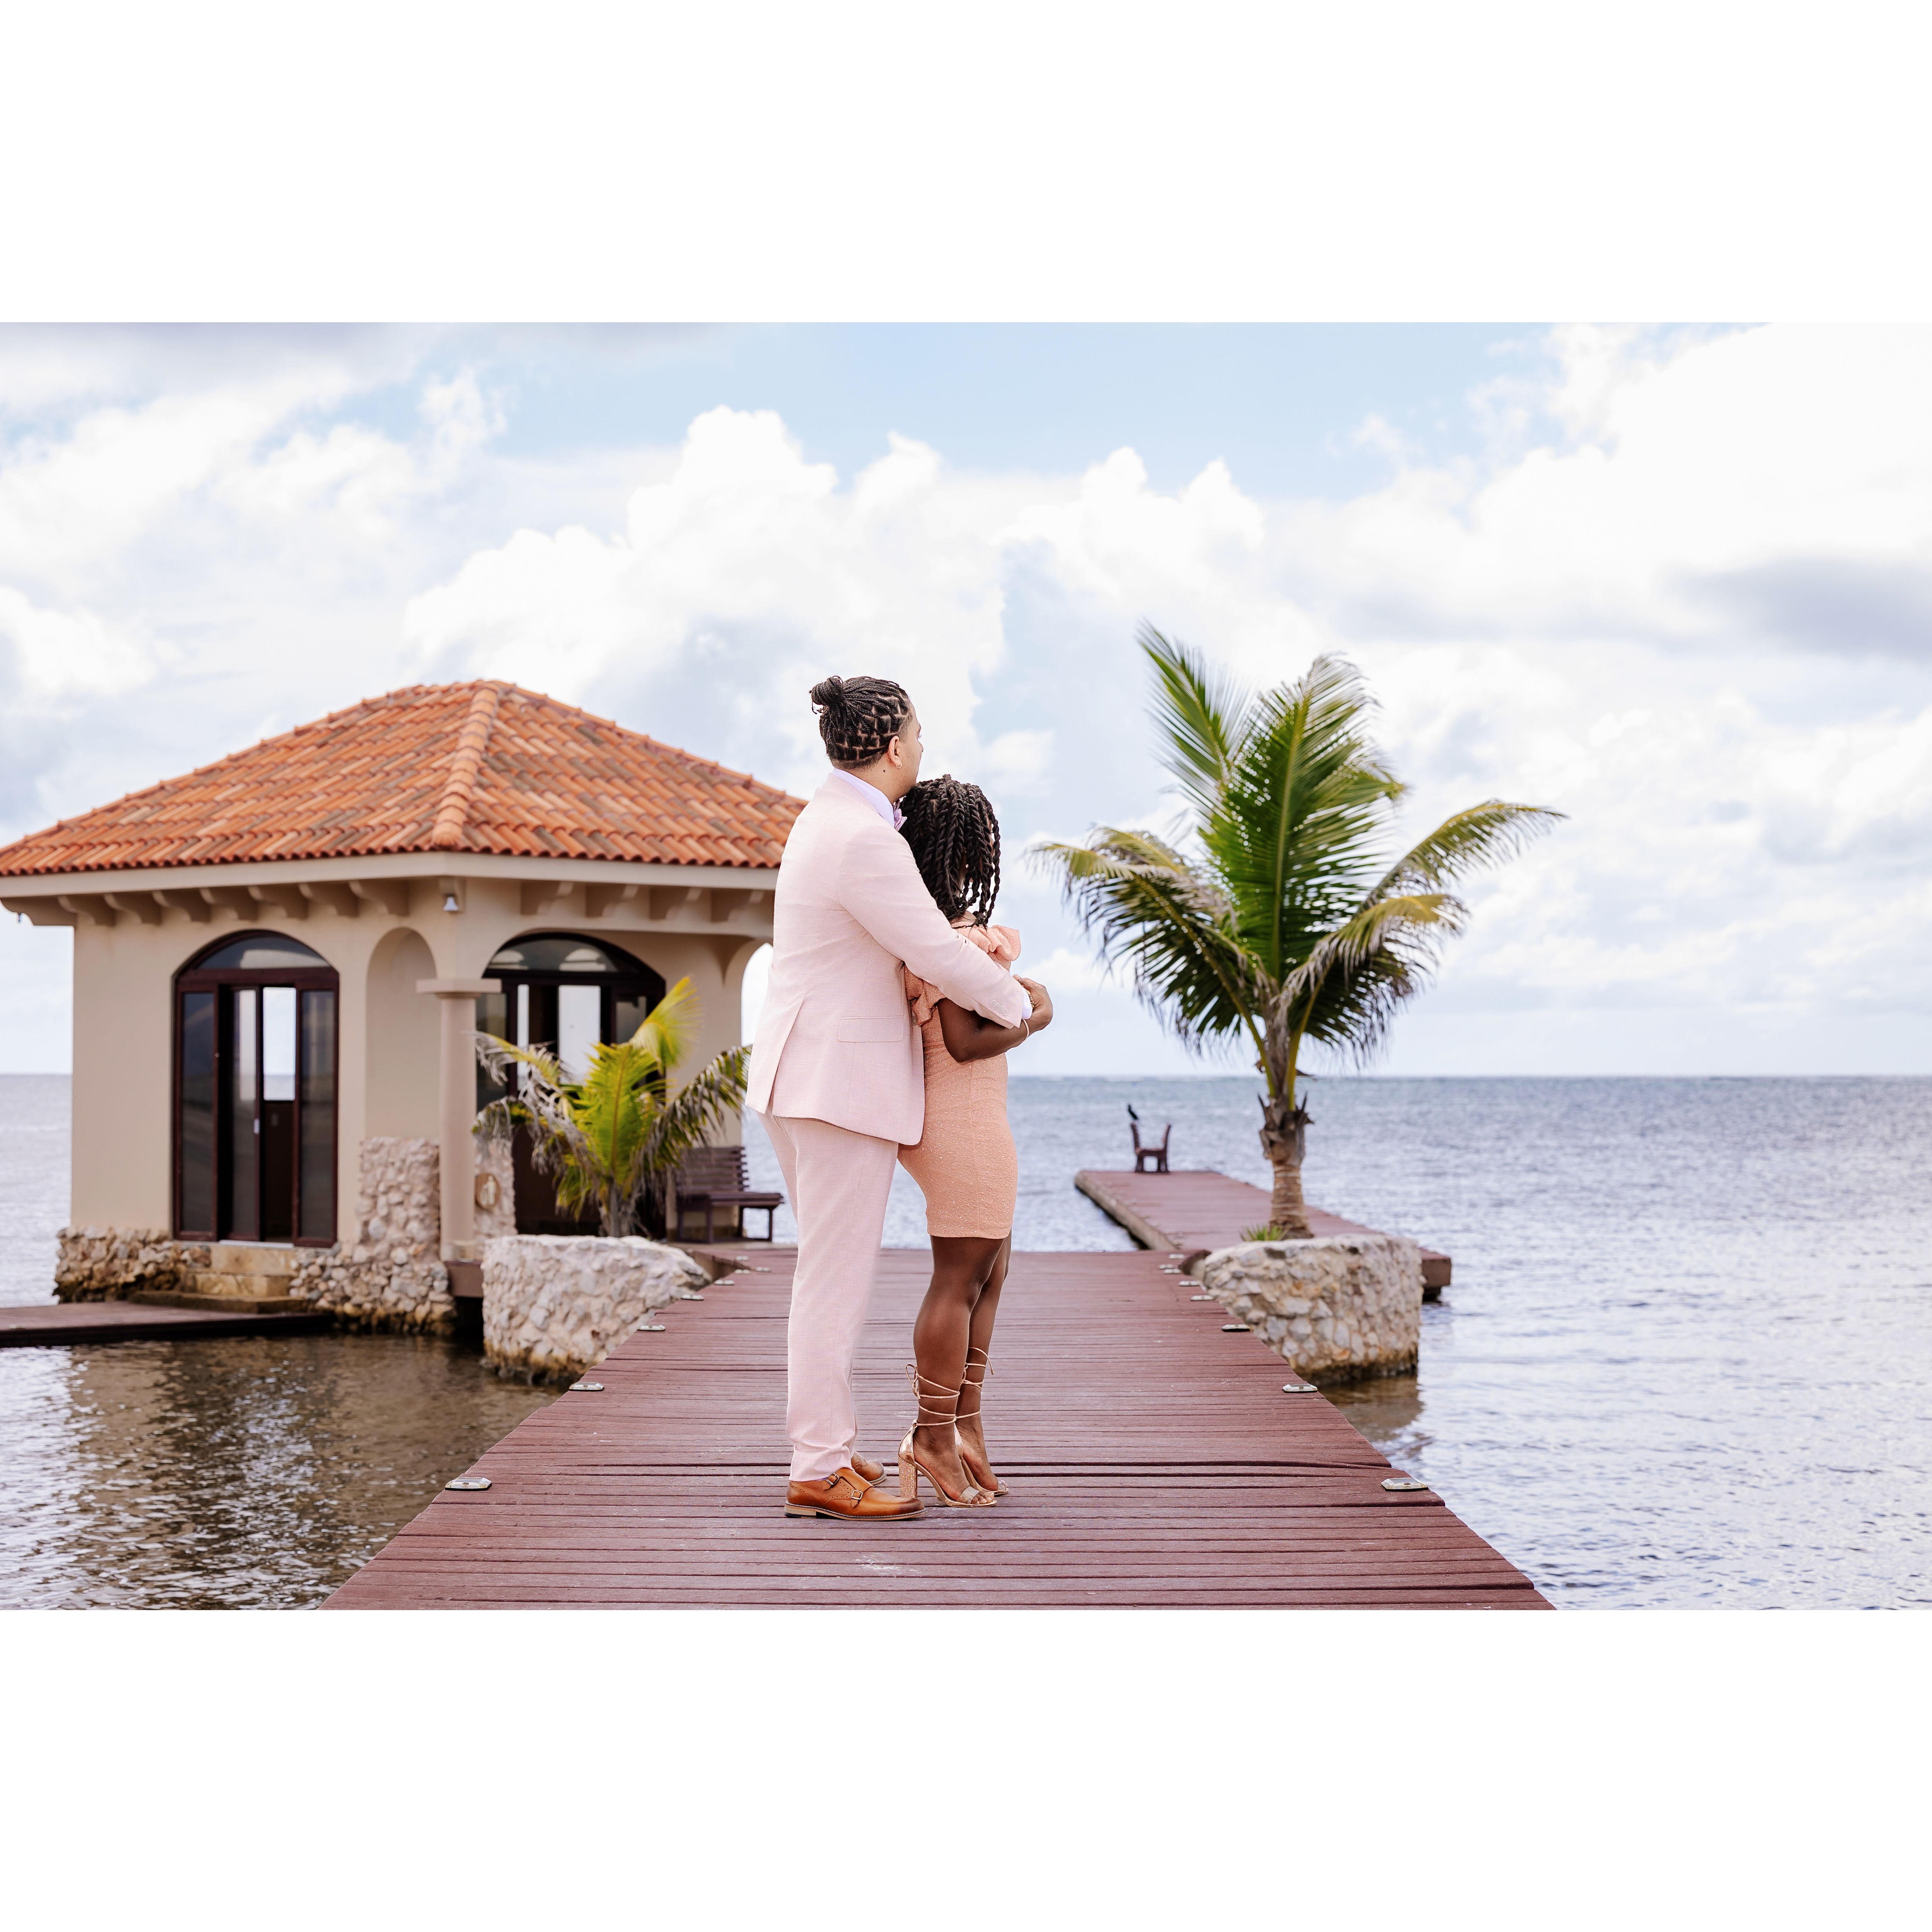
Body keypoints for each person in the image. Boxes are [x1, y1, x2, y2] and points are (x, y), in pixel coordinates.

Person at [748, 675, 1049, 1522]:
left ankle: (829, 1447)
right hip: (836, 1087)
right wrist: (1024, 1007)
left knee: (827, 1275)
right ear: (891, 748)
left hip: (803, 1075)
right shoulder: (863, 839)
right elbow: (939, 954)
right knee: (833, 1282)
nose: (921, 749)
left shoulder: (826, 820)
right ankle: (818, 1467)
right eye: (917, 735)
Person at [895, 776, 1051, 1508]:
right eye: (980, 844)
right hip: (960, 1119)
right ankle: (933, 1434)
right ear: (963, 852)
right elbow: (962, 1042)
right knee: (959, 1280)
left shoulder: (942, 932)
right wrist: (1033, 1021)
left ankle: (966, 1425)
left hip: (973, 1117)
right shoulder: (951, 940)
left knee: (990, 1273)